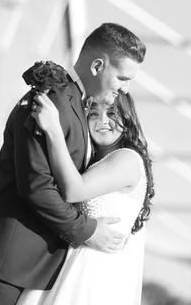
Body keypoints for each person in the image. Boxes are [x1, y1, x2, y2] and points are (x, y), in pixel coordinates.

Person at [0, 22, 145, 304]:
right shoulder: (53, 100)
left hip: (24, 268)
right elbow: (37, 186)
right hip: (3, 261)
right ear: (98, 66)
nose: (124, 90)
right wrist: (88, 230)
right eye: (122, 78)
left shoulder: (73, 104)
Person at [17, 92, 154, 304]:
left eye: (111, 113)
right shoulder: (96, 161)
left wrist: (53, 128)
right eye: (93, 114)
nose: (103, 121)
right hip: (71, 263)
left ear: (126, 118)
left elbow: (74, 191)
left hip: (91, 273)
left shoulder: (126, 158)